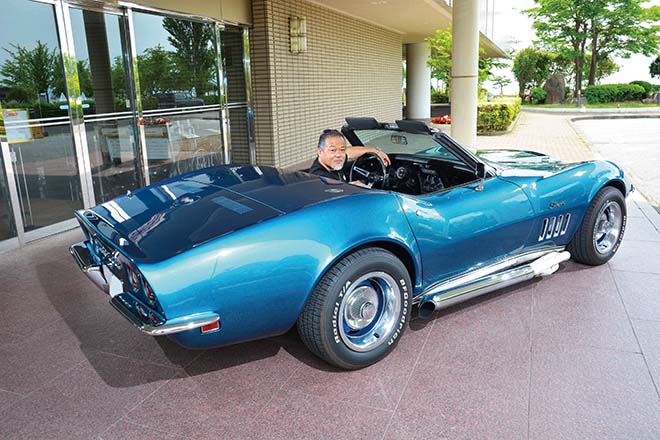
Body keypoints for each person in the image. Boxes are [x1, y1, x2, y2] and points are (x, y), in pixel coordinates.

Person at [308, 128, 390, 184]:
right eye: (333, 150)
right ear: (320, 151)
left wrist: (376, 151)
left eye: (342, 150)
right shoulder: (321, 178)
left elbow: (350, 152)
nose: (338, 155)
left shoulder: (333, 162)